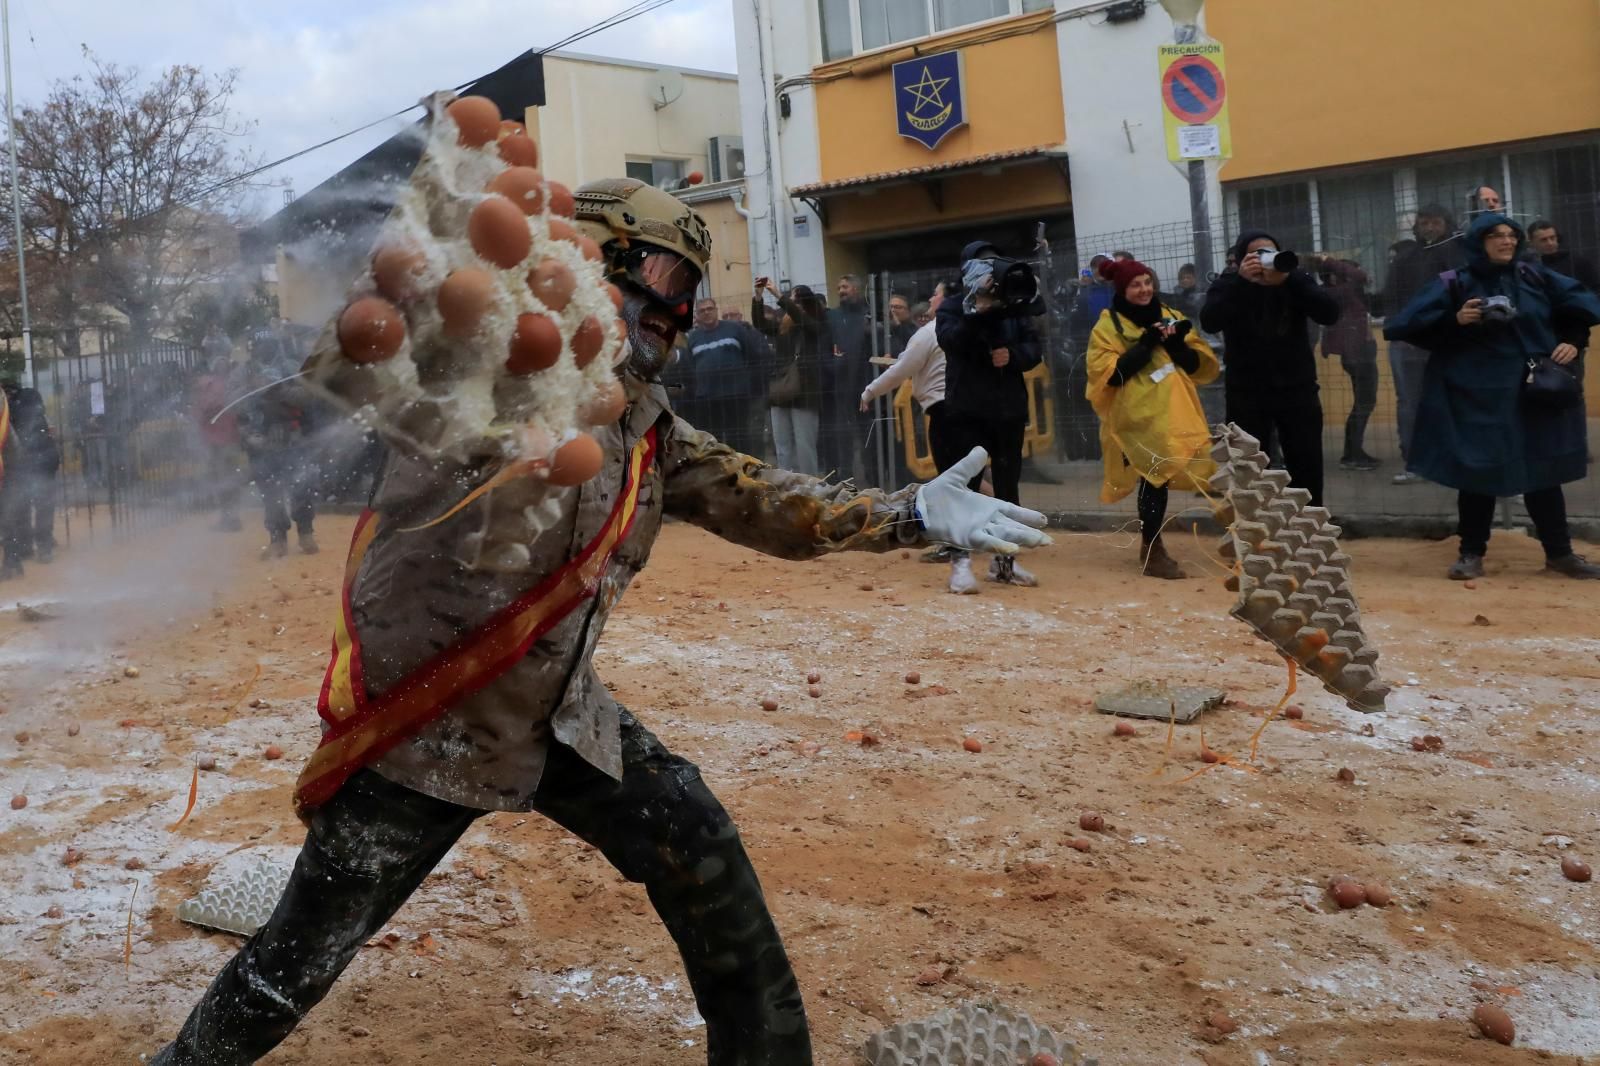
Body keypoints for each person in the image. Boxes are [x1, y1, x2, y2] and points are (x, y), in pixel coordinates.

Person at [150, 174, 1051, 1066]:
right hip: (429, 725)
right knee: (293, 964)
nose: (674, 312)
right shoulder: (485, 363)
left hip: (559, 714)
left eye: (686, 291)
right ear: (578, 269)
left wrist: (905, 514)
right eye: (655, 279)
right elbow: (364, 364)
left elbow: (760, 498)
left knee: (700, 847)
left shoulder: (642, 422)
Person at [1384, 213, 1600, 581]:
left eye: (1512, 235)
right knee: (1478, 471)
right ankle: (1471, 553)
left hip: (1534, 392)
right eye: (1496, 235)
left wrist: (1574, 340)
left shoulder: (1534, 276)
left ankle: (1560, 554)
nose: (1507, 241)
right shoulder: (1454, 282)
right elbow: (1403, 326)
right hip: (1476, 394)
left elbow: (1580, 304)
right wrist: (1456, 320)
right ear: (1477, 241)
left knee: (1542, 470)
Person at [1086, 258, 1220, 578]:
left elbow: (1194, 364)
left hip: (1175, 412)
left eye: (1147, 282)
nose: (1144, 289)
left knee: (1159, 476)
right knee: (1153, 477)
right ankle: (1152, 547)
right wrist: (1145, 345)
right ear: (1122, 289)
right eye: (1135, 284)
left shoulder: (1171, 316)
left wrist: (1175, 345)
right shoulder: (1107, 327)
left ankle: (1152, 546)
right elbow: (1109, 376)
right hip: (1137, 417)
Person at [936, 240, 1047, 588]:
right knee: (963, 489)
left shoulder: (1016, 306)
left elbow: (1034, 349)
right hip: (965, 411)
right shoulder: (952, 307)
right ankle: (961, 564)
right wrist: (978, 312)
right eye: (982, 266)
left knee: (1007, 488)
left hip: (1008, 410)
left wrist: (1012, 356)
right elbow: (951, 341)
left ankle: (1004, 564)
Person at [1201, 229, 1340, 508]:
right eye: (1256, 255)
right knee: (1248, 469)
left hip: (1297, 388)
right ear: (1241, 259)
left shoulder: (1296, 279)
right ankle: (1254, 535)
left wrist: (1289, 280)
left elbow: (1330, 312)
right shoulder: (1228, 284)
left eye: (1270, 253)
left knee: (1306, 464)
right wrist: (1243, 282)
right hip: (1247, 392)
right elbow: (1210, 321)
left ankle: (1311, 531)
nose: (1264, 260)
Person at [857, 284, 968, 591]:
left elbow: (901, 370)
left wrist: (869, 391)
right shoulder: (967, 326)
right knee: (969, 475)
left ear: (945, 299)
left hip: (944, 410)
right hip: (971, 407)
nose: (930, 299)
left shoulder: (931, 331)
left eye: (935, 294)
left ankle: (957, 544)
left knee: (952, 478)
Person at [1380, 204, 1463, 484]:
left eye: (1435, 222)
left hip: (1448, 340)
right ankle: (1414, 462)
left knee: (1454, 399)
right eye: (1424, 223)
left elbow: (1459, 296)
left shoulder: (1457, 254)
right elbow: (1390, 299)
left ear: (1446, 224)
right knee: (1410, 403)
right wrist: (1402, 332)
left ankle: (1454, 458)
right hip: (1409, 343)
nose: (1429, 228)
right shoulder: (1406, 257)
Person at [237, 329, 319, 558]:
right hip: (262, 444)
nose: (263, 351)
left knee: (302, 487)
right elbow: (237, 405)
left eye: (268, 345)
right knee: (270, 493)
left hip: (293, 440)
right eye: (259, 347)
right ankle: (277, 539)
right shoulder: (245, 372)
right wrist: (248, 434)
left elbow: (307, 397)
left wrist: (278, 389)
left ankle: (305, 533)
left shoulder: (291, 367)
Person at [752, 279, 828, 474]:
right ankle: (788, 486)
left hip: (805, 392)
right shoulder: (783, 328)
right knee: (782, 446)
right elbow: (760, 324)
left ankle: (810, 487)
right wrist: (758, 296)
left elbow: (801, 318)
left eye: (795, 300)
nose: (790, 306)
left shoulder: (814, 325)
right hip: (781, 391)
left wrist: (778, 295)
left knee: (805, 446)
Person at [1312, 255, 1379, 470]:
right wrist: (1328, 261)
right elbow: (1359, 276)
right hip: (1355, 355)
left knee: (1364, 402)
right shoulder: (1337, 292)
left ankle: (1353, 452)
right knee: (1364, 403)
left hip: (1361, 352)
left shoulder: (1346, 292)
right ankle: (1351, 455)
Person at [683, 296, 772, 456]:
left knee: (738, 438)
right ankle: (719, 474)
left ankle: (741, 475)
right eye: (702, 310)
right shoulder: (693, 338)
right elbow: (690, 368)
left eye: (710, 309)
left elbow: (752, 357)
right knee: (712, 441)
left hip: (735, 396)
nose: (707, 313)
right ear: (696, 315)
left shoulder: (735, 329)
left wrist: (746, 383)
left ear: (716, 311)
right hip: (707, 398)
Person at [0, 377, 60, 571]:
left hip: (27, 460)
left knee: (21, 504)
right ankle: (42, 545)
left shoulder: (9, 407)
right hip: (44, 457)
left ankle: (28, 547)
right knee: (41, 504)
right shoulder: (32, 397)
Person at [822, 274, 872, 482]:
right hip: (842, 387)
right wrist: (834, 365)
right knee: (843, 438)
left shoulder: (869, 315)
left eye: (845, 286)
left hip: (868, 386)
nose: (841, 290)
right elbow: (823, 350)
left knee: (868, 436)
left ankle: (873, 479)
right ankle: (846, 480)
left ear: (857, 289)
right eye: (839, 287)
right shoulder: (832, 316)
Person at [192, 355, 245, 532]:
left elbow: (203, 409)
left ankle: (230, 517)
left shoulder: (215, 385)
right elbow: (202, 410)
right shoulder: (216, 385)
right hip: (219, 439)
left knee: (225, 478)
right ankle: (229, 516)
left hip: (225, 439)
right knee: (223, 478)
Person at [1527, 219, 1600, 293]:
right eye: (1543, 240)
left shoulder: (1578, 262)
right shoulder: (1528, 268)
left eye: (1552, 238)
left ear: (1557, 238)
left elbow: (1596, 289)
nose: (1550, 243)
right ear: (1532, 243)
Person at [886, 292, 917, 356]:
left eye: (897, 307)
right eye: (890, 307)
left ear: (908, 311)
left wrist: (898, 325)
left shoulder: (915, 331)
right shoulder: (880, 330)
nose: (892, 310)